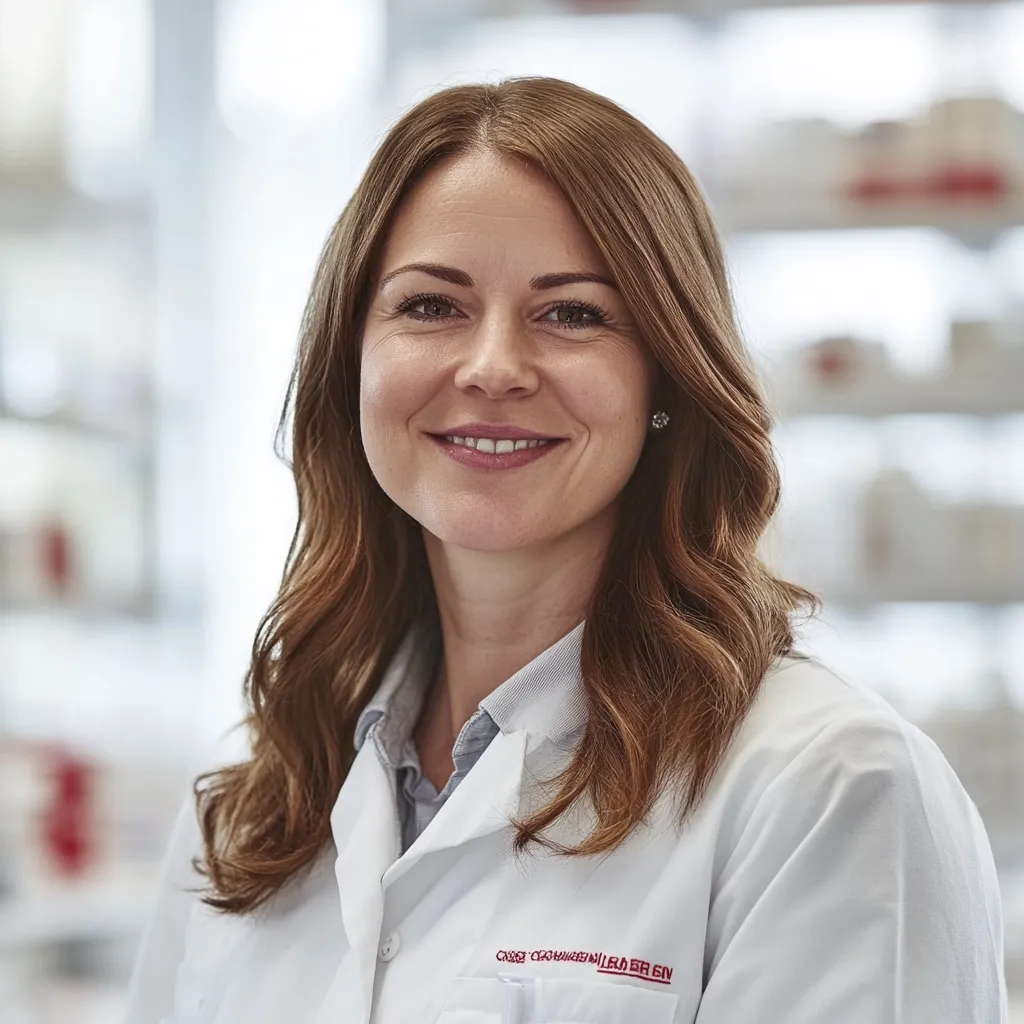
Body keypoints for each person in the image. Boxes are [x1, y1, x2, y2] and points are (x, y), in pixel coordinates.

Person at [122, 76, 1007, 1024]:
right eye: (432, 306)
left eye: (573, 313)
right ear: (352, 363)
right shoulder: (257, 802)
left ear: (667, 376)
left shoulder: (827, 788)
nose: (493, 368)